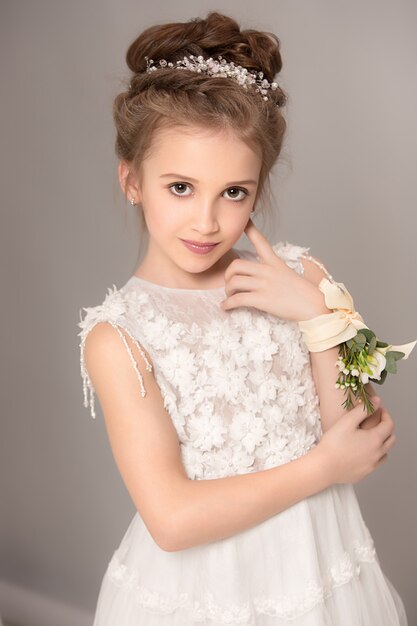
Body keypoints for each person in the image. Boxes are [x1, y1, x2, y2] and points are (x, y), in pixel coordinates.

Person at [77, 11, 408, 625]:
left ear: (258, 187)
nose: (207, 221)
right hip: (204, 593)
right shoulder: (120, 336)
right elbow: (172, 520)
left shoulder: (301, 277)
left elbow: (362, 437)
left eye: (234, 192)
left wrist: (315, 318)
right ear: (131, 180)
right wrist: (322, 468)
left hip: (322, 567)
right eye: (180, 187)